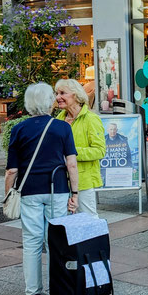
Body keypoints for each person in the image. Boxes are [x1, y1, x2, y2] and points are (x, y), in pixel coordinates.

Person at [5, 82, 79, 295]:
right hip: (58, 190)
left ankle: (33, 292)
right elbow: (71, 164)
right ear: (50, 103)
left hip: (30, 192)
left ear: (28, 104)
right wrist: (74, 194)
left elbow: (12, 170)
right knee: (56, 241)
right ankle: (59, 289)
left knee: (32, 241)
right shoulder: (62, 128)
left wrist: (8, 193)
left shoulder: (18, 129)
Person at [55, 79, 106, 218]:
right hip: (60, 180)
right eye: (56, 93)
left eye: (62, 93)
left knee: (88, 220)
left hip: (84, 181)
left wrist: (72, 152)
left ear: (76, 95)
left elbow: (100, 150)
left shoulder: (91, 119)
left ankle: (94, 241)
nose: (58, 97)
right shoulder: (58, 120)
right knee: (63, 221)